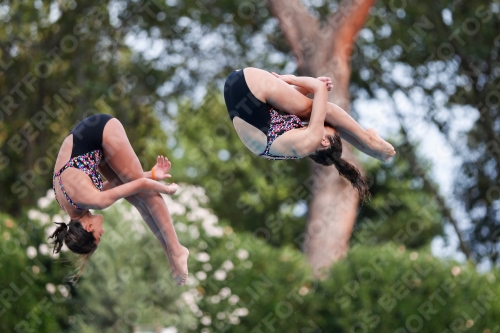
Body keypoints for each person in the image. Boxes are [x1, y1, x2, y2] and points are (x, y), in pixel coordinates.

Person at [49, 114, 189, 285]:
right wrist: (152, 174)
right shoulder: (72, 205)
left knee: (144, 195)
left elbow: (142, 184)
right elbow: (120, 185)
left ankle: (176, 250)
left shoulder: (92, 200)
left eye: (98, 236)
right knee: (134, 198)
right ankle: (170, 253)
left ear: (87, 227)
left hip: (100, 130)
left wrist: (168, 189)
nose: (103, 232)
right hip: (92, 146)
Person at [223, 67, 396, 200]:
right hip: (237, 88)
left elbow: (320, 89)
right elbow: (279, 105)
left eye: (326, 126)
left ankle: (369, 141)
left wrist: (293, 79)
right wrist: (304, 88)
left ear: (324, 141)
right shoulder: (291, 145)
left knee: (320, 109)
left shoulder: (310, 140)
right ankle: (368, 145)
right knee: (308, 108)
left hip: (247, 84)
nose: (320, 122)